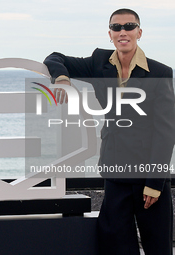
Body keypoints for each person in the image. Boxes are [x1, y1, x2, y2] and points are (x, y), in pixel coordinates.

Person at [44, 8, 174, 255]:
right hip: (115, 173)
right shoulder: (99, 63)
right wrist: (61, 78)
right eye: (116, 27)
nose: (122, 31)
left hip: (149, 175)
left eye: (129, 26)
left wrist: (155, 183)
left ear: (139, 32)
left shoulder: (160, 72)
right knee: (116, 246)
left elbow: (165, 131)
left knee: (158, 247)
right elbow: (54, 57)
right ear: (110, 34)